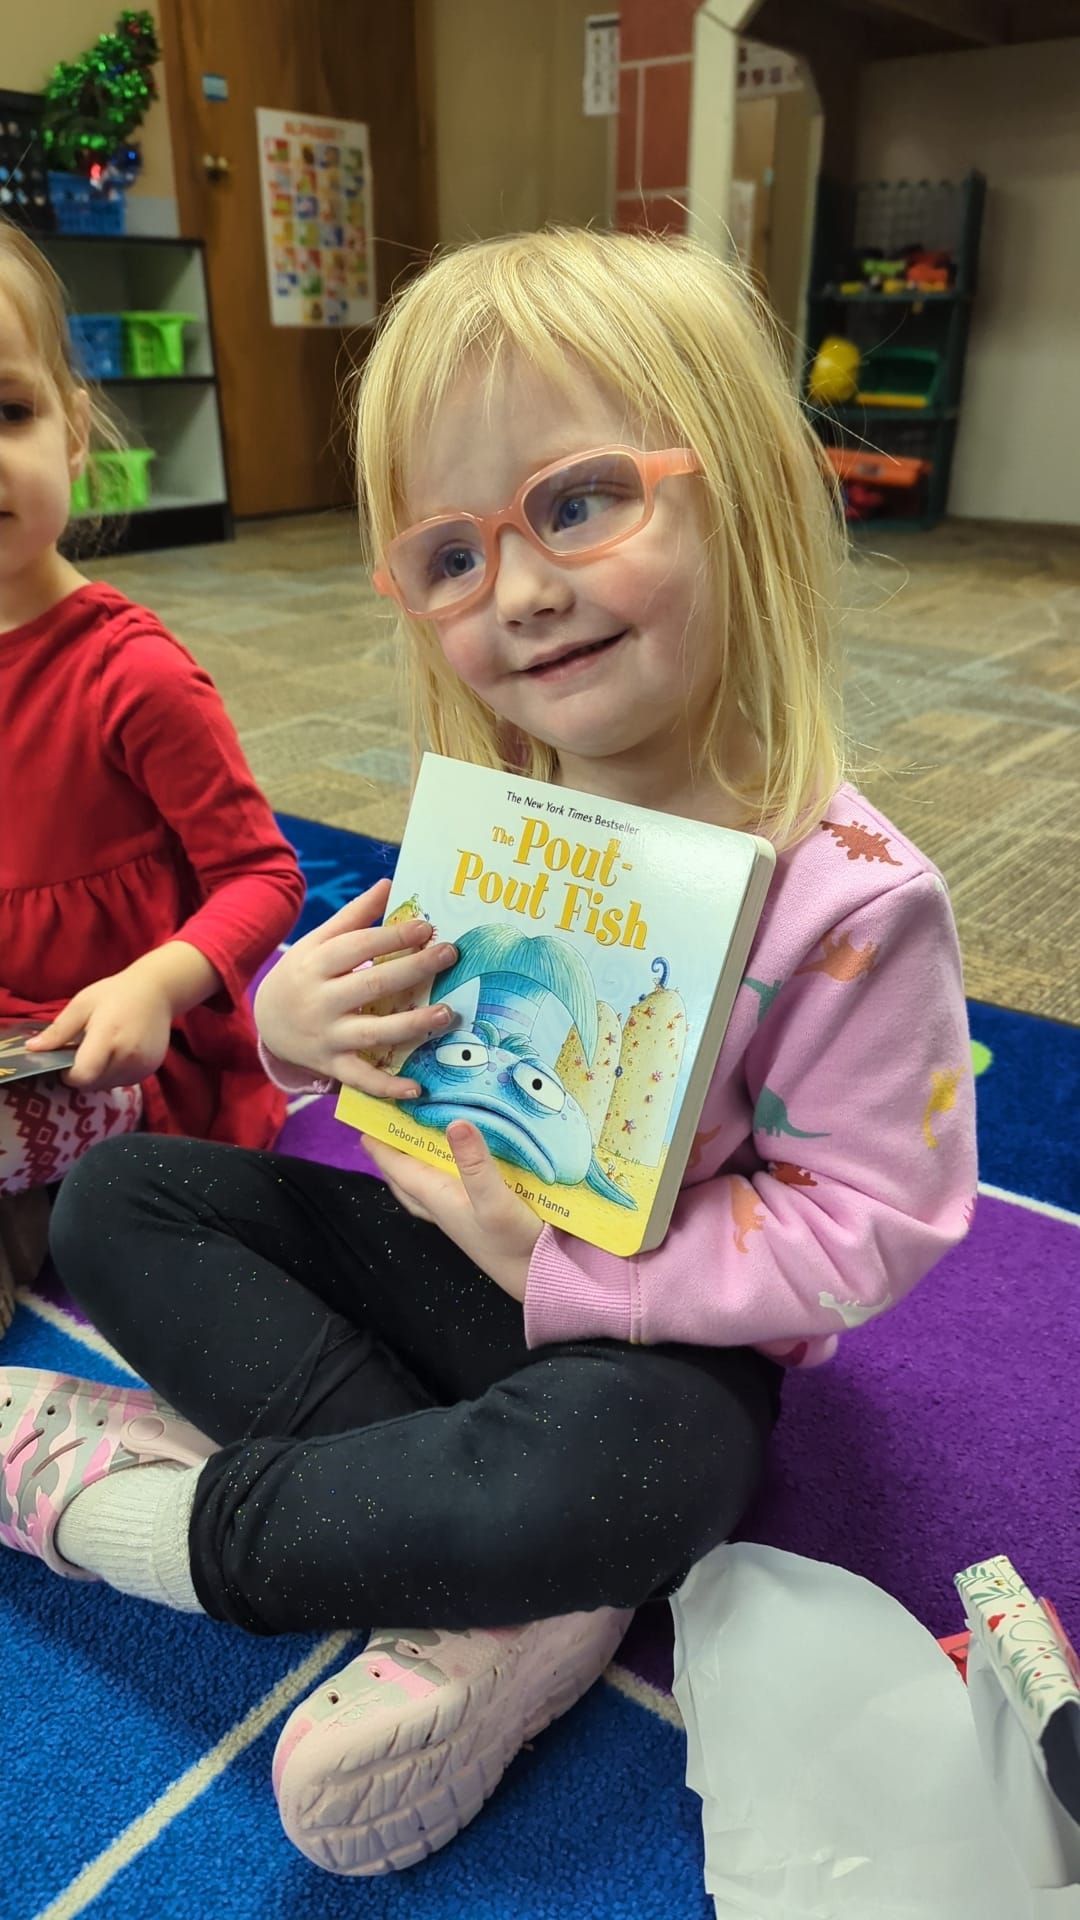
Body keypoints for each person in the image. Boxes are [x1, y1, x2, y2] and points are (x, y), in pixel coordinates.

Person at [0, 228, 977, 1877]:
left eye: (580, 502)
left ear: (743, 492)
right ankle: (498, 1597)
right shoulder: (509, 818)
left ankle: (153, 1521)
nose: (518, 591)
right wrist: (293, 1027)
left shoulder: (852, 897)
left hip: (655, 1356)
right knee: (121, 1201)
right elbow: (385, 1021)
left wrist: (569, 1269)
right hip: (450, 1273)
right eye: (450, 555)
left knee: (656, 1475)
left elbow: (873, 1220)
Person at [0, 220, 304, 1326]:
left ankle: (47, 1218)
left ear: (74, 431)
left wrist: (155, 986)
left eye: (8, 411)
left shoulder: (131, 675)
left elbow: (265, 879)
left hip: (120, 1055)